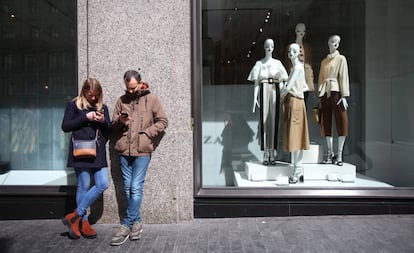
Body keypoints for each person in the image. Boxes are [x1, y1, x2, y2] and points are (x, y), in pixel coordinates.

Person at [110, 70, 168, 246]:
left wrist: (147, 133)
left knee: (135, 187)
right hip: (123, 150)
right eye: (128, 88)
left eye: (133, 88)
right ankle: (137, 222)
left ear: (141, 83)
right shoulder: (122, 100)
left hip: (142, 150)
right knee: (127, 187)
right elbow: (112, 125)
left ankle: (126, 224)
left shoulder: (152, 99)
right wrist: (120, 121)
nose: (130, 91)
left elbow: (163, 121)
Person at [61, 78, 111, 239]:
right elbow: (65, 126)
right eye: (91, 95)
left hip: (97, 151)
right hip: (80, 150)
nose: (94, 98)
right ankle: (82, 222)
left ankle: (75, 215)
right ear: (84, 92)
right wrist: (86, 117)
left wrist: (102, 121)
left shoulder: (102, 107)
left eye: (97, 95)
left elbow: (109, 129)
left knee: (103, 183)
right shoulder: (73, 105)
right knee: (83, 185)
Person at [248, 38, 288, 165]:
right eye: (267, 46)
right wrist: (255, 98)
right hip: (264, 89)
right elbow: (256, 83)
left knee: (274, 121)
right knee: (264, 121)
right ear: (264, 47)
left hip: (275, 89)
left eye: (272, 45)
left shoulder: (278, 63)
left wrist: (283, 95)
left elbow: (283, 80)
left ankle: (272, 152)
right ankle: (266, 152)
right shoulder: (259, 64)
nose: (269, 48)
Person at [317, 35, 350, 166]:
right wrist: (320, 95)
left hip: (336, 92)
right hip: (325, 92)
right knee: (326, 122)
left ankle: (339, 154)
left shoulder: (341, 59)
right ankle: (330, 153)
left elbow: (343, 76)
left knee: (342, 121)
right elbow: (320, 78)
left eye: (337, 42)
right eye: (332, 41)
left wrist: (344, 95)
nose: (335, 43)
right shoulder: (324, 61)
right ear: (328, 42)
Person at [281, 43, 310, 183]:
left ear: (298, 52)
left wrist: (281, 93)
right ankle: (298, 171)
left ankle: (297, 171)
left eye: (294, 51)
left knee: (296, 137)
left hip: (296, 103)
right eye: (289, 50)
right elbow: (304, 85)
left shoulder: (298, 67)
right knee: (295, 136)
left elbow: (288, 87)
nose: (290, 53)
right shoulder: (295, 68)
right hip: (294, 102)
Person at [284, 23, 314, 103]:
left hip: (305, 77)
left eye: (303, 31)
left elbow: (309, 62)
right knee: (294, 99)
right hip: (294, 76)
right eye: (298, 31)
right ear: (295, 31)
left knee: (305, 100)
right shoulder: (290, 47)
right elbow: (288, 63)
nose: (301, 33)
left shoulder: (307, 47)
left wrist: (310, 78)